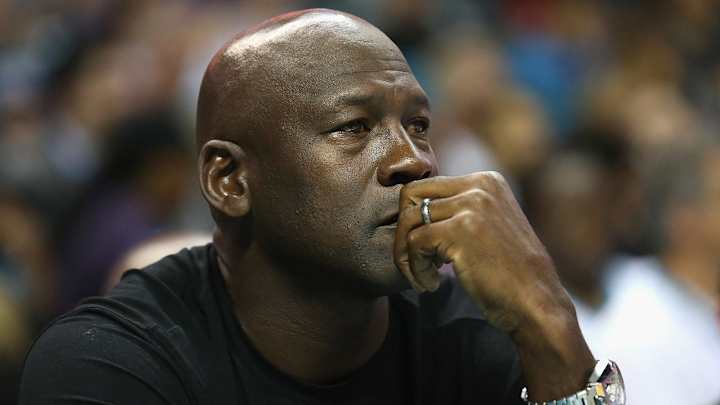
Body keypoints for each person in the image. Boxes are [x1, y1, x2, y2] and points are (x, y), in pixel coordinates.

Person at [19, 9, 623, 405]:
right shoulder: (111, 364)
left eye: (418, 126)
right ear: (229, 180)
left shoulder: (469, 331)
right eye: (354, 128)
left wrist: (550, 324)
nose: (414, 161)